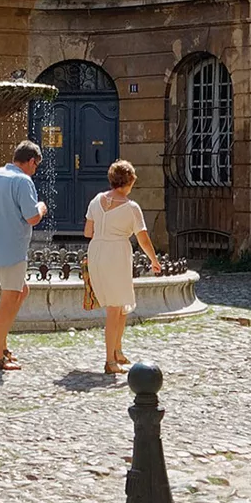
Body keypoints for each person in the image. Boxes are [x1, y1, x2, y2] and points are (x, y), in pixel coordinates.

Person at [83, 159, 162, 375]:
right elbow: (143, 238)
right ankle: (109, 361)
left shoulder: (96, 200)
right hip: (116, 253)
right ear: (129, 182)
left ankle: (117, 349)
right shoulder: (131, 207)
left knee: (122, 303)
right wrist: (154, 260)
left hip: (97, 250)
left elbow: (87, 232)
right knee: (114, 308)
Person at [0, 139, 47, 371]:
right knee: (10, 297)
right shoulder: (23, 180)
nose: (35, 170)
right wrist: (41, 206)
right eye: (35, 165)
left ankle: (2, 344)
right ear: (30, 162)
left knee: (21, 291)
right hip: (12, 248)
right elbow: (32, 217)